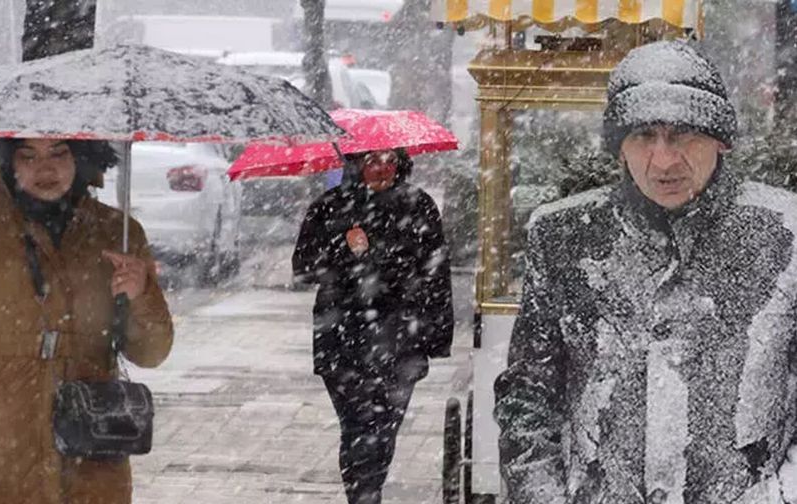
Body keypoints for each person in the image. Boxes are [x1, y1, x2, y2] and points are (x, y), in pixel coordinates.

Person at [494, 40, 797, 503]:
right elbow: (528, 397)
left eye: (683, 134)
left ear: (720, 138)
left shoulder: (785, 232)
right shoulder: (563, 237)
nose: (664, 160)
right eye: (643, 136)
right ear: (618, 147)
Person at [0, 137, 174, 503]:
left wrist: (142, 294)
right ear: (4, 161)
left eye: (59, 153)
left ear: (81, 157)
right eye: (27, 155)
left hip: (91, 456)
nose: (45, 169)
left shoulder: (117, 233)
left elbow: (152, 352)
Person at [293, 148, 454, 503]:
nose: (382, 170)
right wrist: (344, 250)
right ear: (356, 165)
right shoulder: (330, 206)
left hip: (401, 338)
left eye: (389, 161)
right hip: (343, 339)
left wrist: (438, 335)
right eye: (372, 162)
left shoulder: (419, 205)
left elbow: (436, 272)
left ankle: (369, 491)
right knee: (357, 427)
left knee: (384, 430)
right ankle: (363, 497)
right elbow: (303, 267)